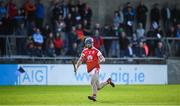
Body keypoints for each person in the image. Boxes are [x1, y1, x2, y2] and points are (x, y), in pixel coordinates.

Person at [75, 37, 115, 101]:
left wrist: (98, 62)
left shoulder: (96, 51)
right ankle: (108, 81)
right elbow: (80, 60)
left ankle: (94, 96)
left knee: (92, 82)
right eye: (87, 43)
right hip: (90, 70)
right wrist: (76, 67)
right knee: (98, 87)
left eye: (89, 43)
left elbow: (103, 59)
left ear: (92, 43)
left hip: (96, 69)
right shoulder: (84, 51)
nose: (88, 45)